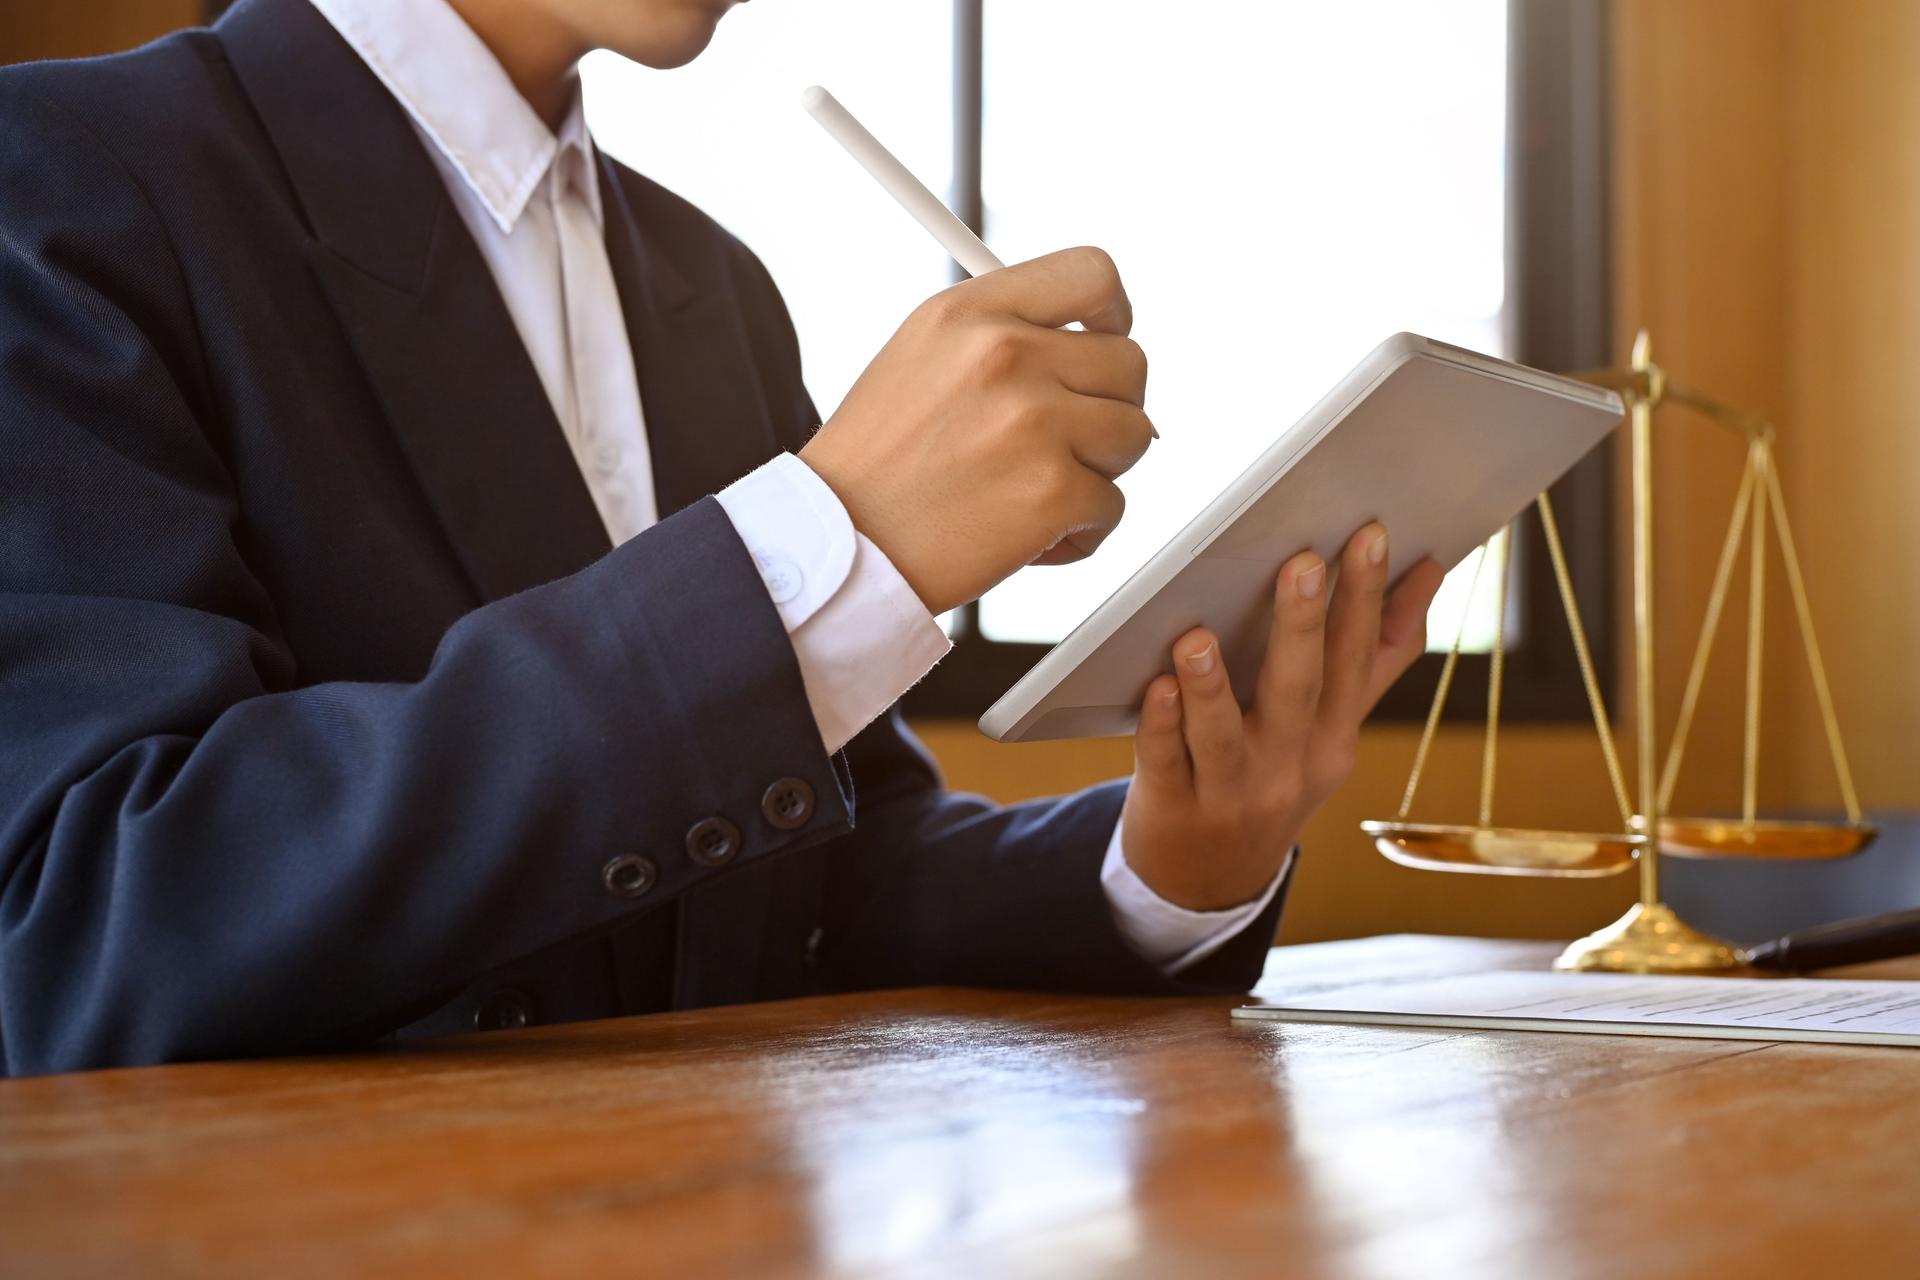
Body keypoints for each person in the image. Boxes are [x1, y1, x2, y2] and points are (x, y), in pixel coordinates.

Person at [0, 0, 1444, 1076]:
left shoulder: (710, 283)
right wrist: (832, 536)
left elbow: (815, 868)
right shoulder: (65, 179)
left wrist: (1168, 868)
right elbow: (90, 927)